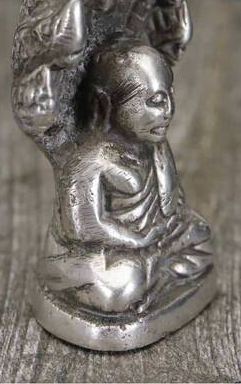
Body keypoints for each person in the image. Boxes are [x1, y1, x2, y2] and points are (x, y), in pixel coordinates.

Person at [38, 41, 213, 314]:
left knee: (202, 237)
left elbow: (170, 201)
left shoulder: (154, 145)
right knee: (121, 286)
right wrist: (135, 241)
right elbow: (82, 229)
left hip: (153, 242)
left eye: (170, 95)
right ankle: (150, 280)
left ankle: (152, 278)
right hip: (102, 253)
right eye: (155, 101)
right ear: (107, 104)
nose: (168, 110)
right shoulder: (88, 161)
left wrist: (167, 226)